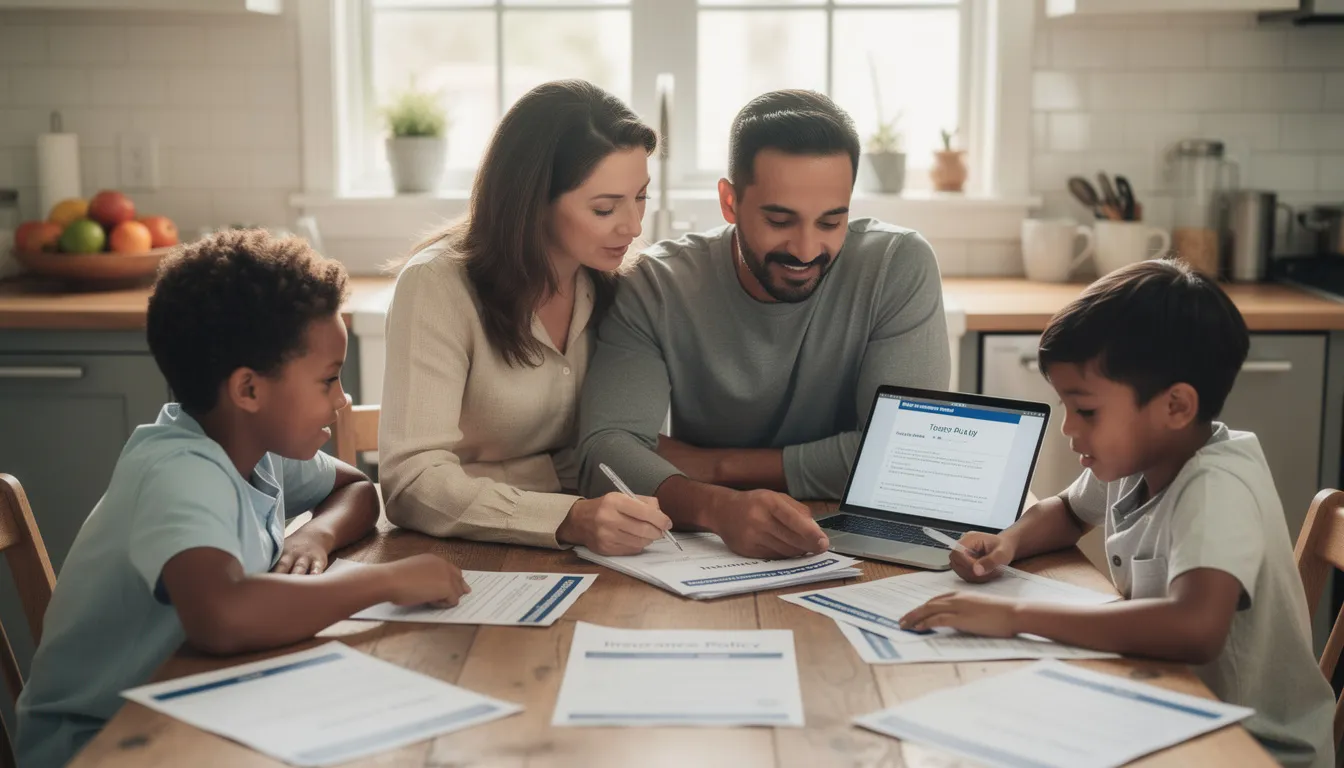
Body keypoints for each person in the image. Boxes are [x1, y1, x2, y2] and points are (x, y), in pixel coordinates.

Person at [15, 229, 471, 768]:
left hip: (201, 708)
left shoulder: (254, 446)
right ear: (249, 391)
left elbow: (355, 490)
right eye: (328, 380)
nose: (342, 399)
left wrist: (315, 536)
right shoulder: (178, 471)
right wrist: (388, 580)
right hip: (99, 743)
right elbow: (222, 615)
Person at [899, 259, 1335, 768]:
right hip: (1172, 708)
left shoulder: (1217, 487)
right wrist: (1010, 541)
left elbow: (1195, 627)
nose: (1067, 428)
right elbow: (1066, 511)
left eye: (1085, 410)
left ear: (1175, 407)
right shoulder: (1138, 458)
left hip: (1251, 745)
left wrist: (1016, 617)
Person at [575, 89, 950, 559]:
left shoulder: (898, 264)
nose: (806, 249)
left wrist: (719, 466)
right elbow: (604, 451)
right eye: (779, 220)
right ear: (730, 202)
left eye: (831, 221)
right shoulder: (657, 284)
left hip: (860, 539)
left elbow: (907, 452)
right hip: (710, 543)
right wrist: (717, 507)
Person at [379, 79, 672, 555]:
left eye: (640, 196)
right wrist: (567, 516)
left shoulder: (619, 281)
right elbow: (410, 482)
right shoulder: (436, 285)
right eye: (604, 208)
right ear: (532, 202)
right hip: (458, 550)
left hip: (592, 544)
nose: (634, 226)